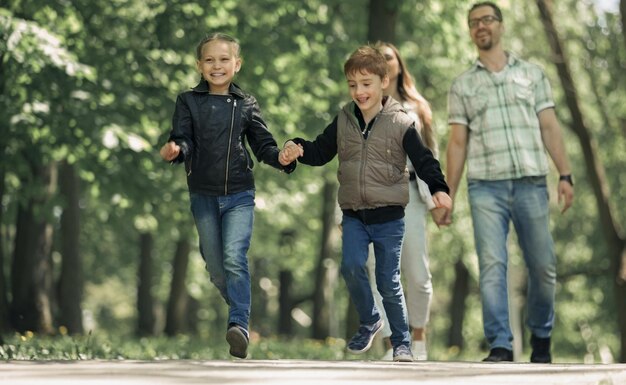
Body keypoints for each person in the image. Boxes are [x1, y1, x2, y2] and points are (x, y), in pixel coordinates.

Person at [280, 45, 452, 362]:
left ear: (383, 82)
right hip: (354, 214)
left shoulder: (401, 121)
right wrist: (298, 148)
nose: (359, 91)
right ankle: (372, 318)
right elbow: (320, 151)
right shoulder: (344, 119)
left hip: (389, 216)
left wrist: (439, 188)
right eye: (353, 85)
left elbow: (424, 160)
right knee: (350, 266)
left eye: (366, 84)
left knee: (388, 280)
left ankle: (402, 343)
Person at [444, 2, 574, 363]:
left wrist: (564, 173)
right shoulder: (463, 84)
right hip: (486, 187)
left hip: (532, 183)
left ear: (500, 25)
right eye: (473, 23)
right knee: (491, 266)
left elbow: (550, 127)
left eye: (486, 19)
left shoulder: (532, 75)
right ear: (471, 33)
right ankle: (500, 343)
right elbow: (457, 143)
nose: (480, 26)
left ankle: (542, 337)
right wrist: (447, 195)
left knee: (544, 265)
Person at [159, 33, 301, 359]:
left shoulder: (246, 104)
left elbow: (263, 145)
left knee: (235, 257)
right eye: (209, 60)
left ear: (237, 64)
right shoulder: (188, 101)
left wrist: (281, 158)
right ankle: (240, 305)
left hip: (239, 192)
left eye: (224, 60)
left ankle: (239, 324)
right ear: (199, 65)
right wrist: (176, 149)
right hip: (203, 195)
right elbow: (183, 138)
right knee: (215, 267)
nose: (217, 65)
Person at [362, 41, 444, 361]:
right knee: (380, 271)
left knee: (418, 273)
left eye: (388, 57)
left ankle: (419, 339)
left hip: (410, 194)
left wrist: (439, 197)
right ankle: (394, 345)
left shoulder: (417, 107)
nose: (383, 62)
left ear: (398, 64)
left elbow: (430, 156)